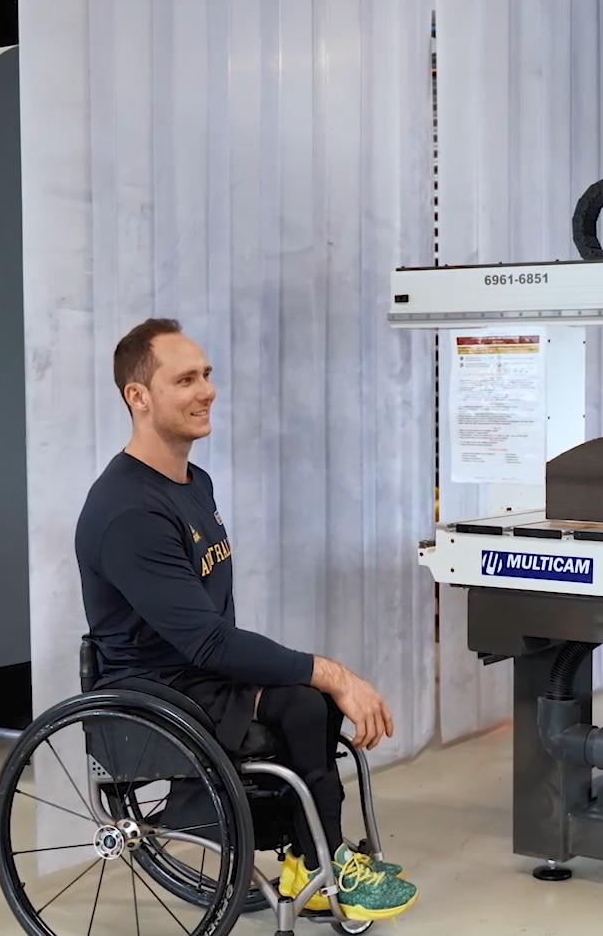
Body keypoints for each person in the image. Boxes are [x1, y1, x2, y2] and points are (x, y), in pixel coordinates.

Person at [74, 317, 419, 923]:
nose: (206, 390)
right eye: (185, 379)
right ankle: (322, 862)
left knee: (306, 702)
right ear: (139, 396)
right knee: (311, 693)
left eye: (206, 375)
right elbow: (206, 639)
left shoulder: (191, 483)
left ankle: (314, 861)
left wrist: (310, 678)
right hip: (155, 691)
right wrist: (330, 672)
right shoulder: (128, 511)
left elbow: (212, 626)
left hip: (196, 672)